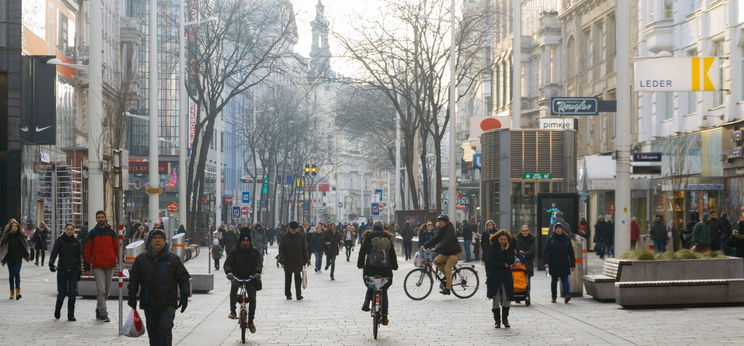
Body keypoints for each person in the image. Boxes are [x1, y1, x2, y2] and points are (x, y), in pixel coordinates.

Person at [127, 229, 191, 346]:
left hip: (168, 303)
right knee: (153, 334)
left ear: (165, 241)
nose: (157, 240)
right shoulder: (141, 259)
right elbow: (134, 279)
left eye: (160, 238)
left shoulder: (173, 259)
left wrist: (184, 296)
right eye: (155, 238)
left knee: (165, 329)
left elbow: (183, 278)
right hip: (149, 303)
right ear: (150, 241)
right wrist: (132, 296)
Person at [358, 222, 398, 326]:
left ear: (372, 228)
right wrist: (394, 266)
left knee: (372, 283)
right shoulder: (388, 238)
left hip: (370, 269)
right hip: (385, 271)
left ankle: (366, 301)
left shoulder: (368, 237)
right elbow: (392, 254)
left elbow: (362, 252)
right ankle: (384, 316)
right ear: (383, 229)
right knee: (383, 290)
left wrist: (360, 264)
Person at [83, 210, 119, 322]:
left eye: (102, 217)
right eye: (98, 217)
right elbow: (87, 250)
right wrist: (87, 267)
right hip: (97, 265)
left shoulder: (112, 232)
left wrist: (120, 259)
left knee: (107, 291)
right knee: (101, 290)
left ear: (105, 218)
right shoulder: (92, 233)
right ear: (96, 219)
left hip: (110, 264)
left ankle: (99, 309)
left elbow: (117, 247)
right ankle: (104, 314)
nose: (100, 219)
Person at [224, 232, 262, 333]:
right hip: (237, 276)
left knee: (252, 298)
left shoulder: (254, 252)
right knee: (234, 287)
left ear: (250, 242)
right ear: (240, 241)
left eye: (247, 241)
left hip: (251, 277)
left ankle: (250, 321)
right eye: (243, 241)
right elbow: (227, 263)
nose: (245, 243)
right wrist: (229, 273)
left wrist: (257, 273)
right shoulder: (234, 251)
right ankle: (233, 311)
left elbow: (259, 263)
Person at [420, 215, 462, 295]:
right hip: (446, 252)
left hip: (454, 252)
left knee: (447, 268)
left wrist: (436, 249)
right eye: (439, 221)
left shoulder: (450, 229)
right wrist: (425, 245)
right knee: (436, 261)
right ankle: (447, 276)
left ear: (445, 222)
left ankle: (448, 289)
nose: (440, 223)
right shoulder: (441, 229)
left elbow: (445, 241)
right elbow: (435, 239)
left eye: (441, 221)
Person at [49, 223, 82, 321]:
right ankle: (57, 310)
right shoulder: (60, 240)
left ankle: (71, 315)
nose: (69, 231)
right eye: (67, 229)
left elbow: (79, 257)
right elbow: (54, 252)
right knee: (62, 293)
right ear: (65, 230)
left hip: (73, 270)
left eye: (71, 229)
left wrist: (79, 269)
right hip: (62, 270)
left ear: (74, 231)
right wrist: (51, 263)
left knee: (72, 294)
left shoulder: (76, 242)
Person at [485, 230, 515, 328]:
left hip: (506, 276)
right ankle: (497, 321)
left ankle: (505, 319)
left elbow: (511, 261)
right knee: (496, 297)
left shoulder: (509, 248)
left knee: (507, 297)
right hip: (495, 276)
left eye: (505, 239)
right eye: (501, 239)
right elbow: (490, 261)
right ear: (497, 239)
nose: (503, 241)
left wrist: (506, 250)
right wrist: (502, 264)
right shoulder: (492, 248)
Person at [544, 223, 576, 304]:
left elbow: (571, 252)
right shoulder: (551, 238)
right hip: (553, 263)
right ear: (554, 230)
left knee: (565, 279)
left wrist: (572, 264)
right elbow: (547, 252)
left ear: (562, 229)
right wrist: (546, 262)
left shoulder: (566, 238)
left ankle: (567, 295)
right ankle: (554, 297)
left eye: (560, 228)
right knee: (554, 280)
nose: (559, 230)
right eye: (557, 228)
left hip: (564, 262)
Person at [1, 219, 30, 299]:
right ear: (11, 227)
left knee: (17, 273)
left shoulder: (20, 235)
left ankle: (18, 292)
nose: (15, 227)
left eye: (16, 226)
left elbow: (23, 247)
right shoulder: (7, 236)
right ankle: (12, 292)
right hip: (10, 258)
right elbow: (3, 248)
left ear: (18, 227)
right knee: (11, 275)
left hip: (18, 258)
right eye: (13, 226)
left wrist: (26, 256)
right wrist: (3, 260)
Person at [279, 221, 309, 300]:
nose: (294, 231)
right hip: (288, 260)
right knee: (288, 279)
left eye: (295, 229)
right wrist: (281, 258)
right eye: (292, 229)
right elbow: (281, 248)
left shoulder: (301, 236)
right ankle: (288, 294)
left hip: (298, 260)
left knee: (298, 278)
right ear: (289, 228)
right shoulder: (285, 236)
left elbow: (304, 248)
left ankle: (298, 294)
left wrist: (306, 259)